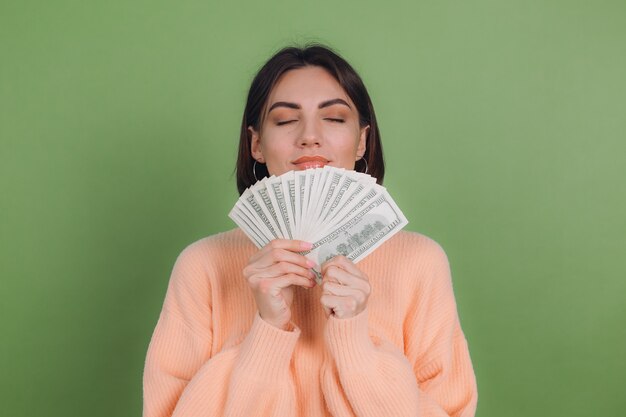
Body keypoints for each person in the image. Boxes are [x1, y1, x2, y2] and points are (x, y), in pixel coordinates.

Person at [143, 44, 477, 417]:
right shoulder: (202, 266)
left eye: (334, 118)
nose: (310, 136)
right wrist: (267, 329)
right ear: (256, 143)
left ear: (362, 140)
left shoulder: (420, 262)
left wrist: (353, 337)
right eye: (285, 120)